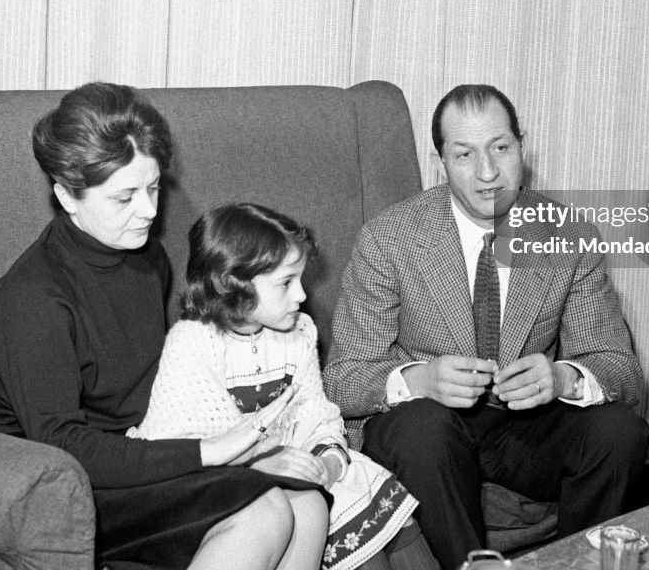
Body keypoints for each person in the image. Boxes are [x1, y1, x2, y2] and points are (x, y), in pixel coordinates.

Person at [0, 82, 328, 570]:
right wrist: (211, 452)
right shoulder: (31, 301)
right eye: (124, 197)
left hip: (137, 458)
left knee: (307, 502)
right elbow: (62, 446)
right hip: (49, 490)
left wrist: (238, 454)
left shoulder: (147, 259)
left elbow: (160, 393)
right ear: (67, 196)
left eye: (153, 187)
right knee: (265, 510)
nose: (150, 211)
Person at [323, 84, 649, 570]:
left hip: (521, 427)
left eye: (501, 148)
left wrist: (563, 377)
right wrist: (419, 379)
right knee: (424, 428)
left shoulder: (570, 236)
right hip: (428, 427)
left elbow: (620, 371)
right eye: (464, 154)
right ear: (440, 163)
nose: (487, 173)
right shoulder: (388, 238)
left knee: (618, 431)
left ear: (522, 145)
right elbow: (343, 378)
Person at [130, 202, 439, 570]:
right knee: (337, 529)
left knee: (380, 508)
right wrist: (261, 462)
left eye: (301, 279)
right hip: (223, 484)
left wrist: (328, 459)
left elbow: (315, 411)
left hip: (298, 463)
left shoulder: (299, 332)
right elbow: (186, 445)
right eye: (286, 283)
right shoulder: (194, 341)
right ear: (233, 284)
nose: (302, 296)